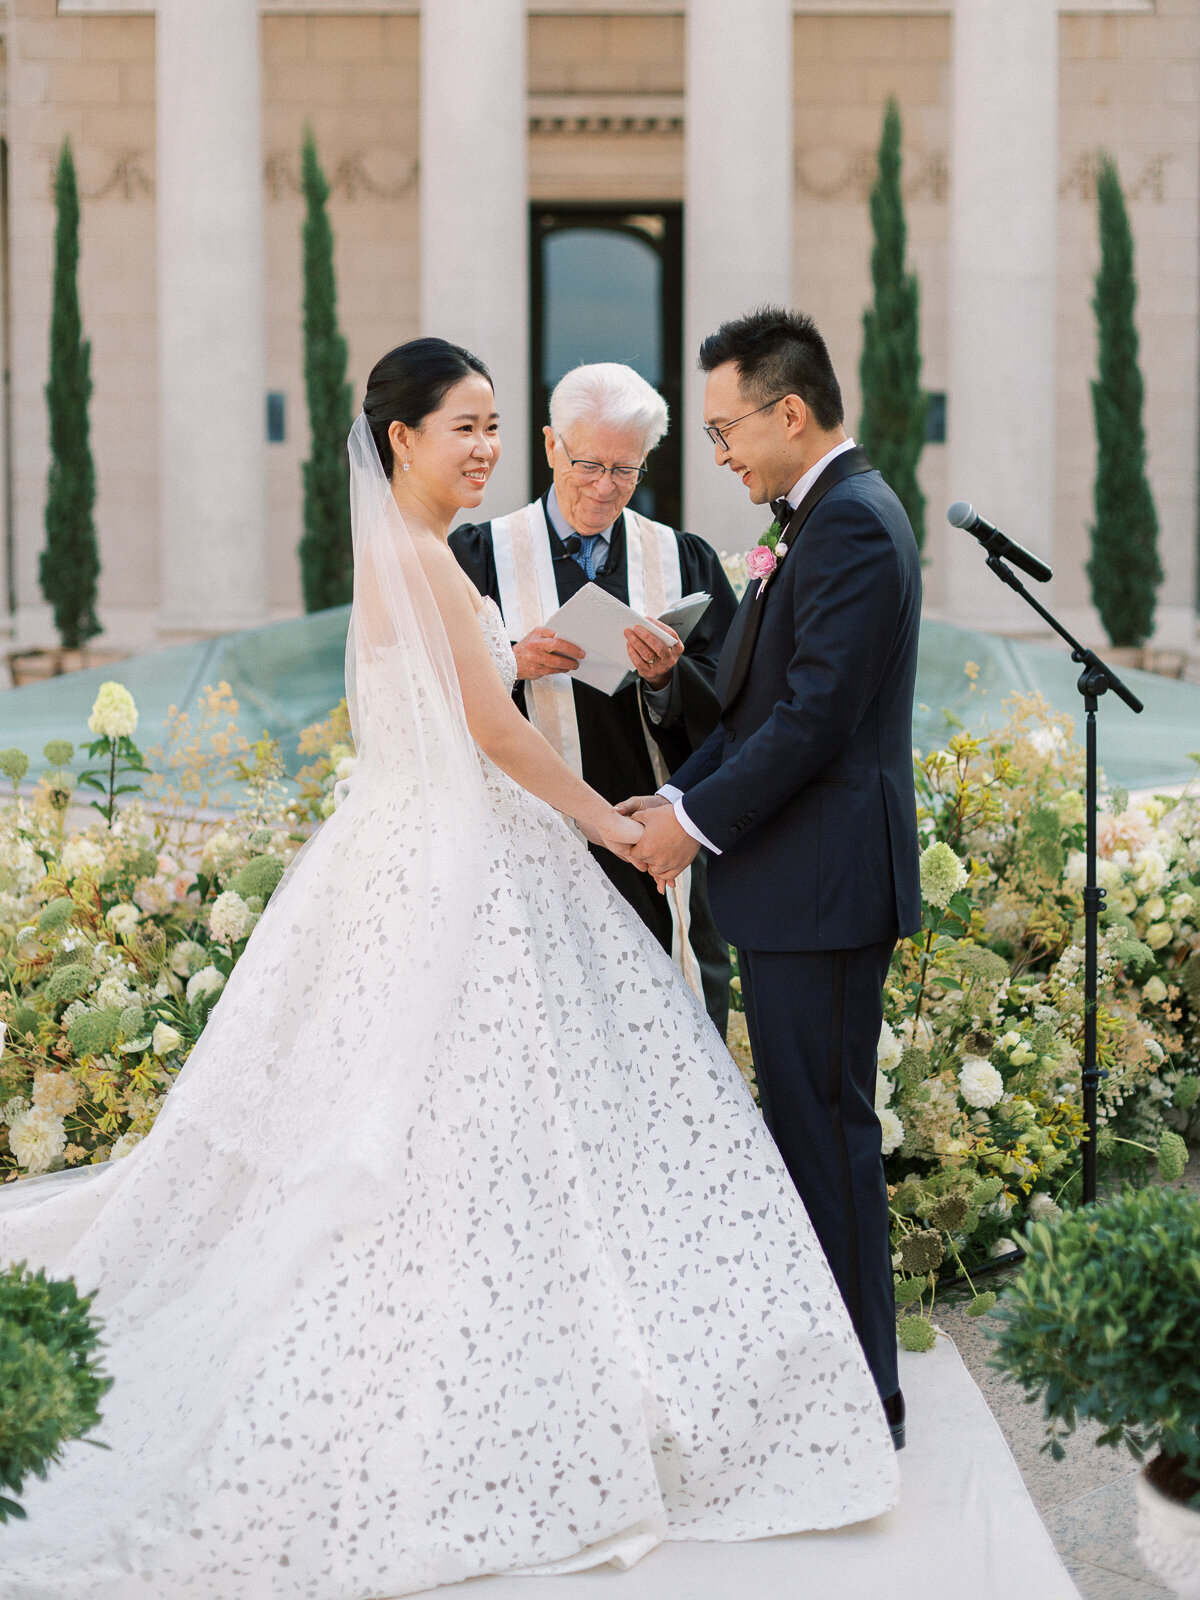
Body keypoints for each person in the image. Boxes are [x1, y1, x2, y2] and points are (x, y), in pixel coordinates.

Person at [0, 337, 897, 1599]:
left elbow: (464, 690)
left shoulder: (419, 555)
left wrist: (520, 664)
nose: (481, 447)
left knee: (475, 1121)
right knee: (458, 1117)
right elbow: (482, 731)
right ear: (402, 439)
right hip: (459, 855)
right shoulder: (426, 554)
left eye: (489, 423)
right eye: (464, 427)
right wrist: (616, 826)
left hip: (428, 843)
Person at [621, 307, 922, 1450]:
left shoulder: (849, 525)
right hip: (800, 886)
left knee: (827, 1137)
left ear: (789, 410)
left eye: (724, 429)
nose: (722, 455)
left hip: (825, 889)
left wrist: (689, 824)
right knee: (805, 1131)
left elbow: (812, 723)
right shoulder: (819, 520)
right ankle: (838, 1386)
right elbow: (756, 709)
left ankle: (866, 1402)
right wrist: (677, 790)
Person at [450, 363, 737, 1035]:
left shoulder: (681, 559)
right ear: (551, 446)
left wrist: (668, 680)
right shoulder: (478, 555)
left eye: (626, 470)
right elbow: (420, 692)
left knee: (659, 1034)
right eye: (588, 465)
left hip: (644, 847)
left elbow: (735, 713)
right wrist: (509, 664)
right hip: (516, 849)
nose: (606, 488)